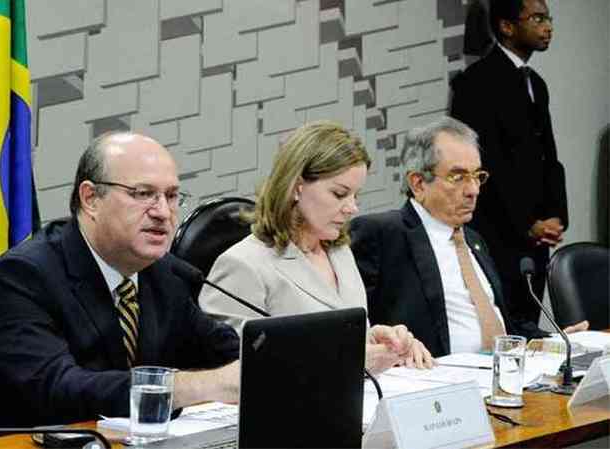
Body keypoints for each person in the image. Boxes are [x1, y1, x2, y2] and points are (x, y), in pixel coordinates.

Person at [0, 132, 240, 425]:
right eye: (143, 193)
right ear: (91, 199)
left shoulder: (164, 272)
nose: (163, 212)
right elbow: (60, 388)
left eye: (171, 196)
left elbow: (223, 350)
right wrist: (202, 385)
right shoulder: (21, 278)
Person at [199, 121, 433, 371]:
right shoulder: (242, 265)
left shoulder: (340, 252)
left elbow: (334, 336)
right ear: (296, 187)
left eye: (356, 195)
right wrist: (350, 358)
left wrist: (378, 342)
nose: (352, 207)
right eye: (340, 194)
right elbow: (238, 371)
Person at [350, 117, 587, 357]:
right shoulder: (383, 233)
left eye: (477, 176)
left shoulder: (475, 240)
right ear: (418, 183)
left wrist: (557, 341)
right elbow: (356, 328)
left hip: (499, 375)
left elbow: (505, 323)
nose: (473, 190)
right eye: (458, 176)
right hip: (432, 380)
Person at [450, 0, 568, 326]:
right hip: (499, 234)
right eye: (538, 18)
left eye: (549, 18)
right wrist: (527, 222)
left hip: (538, 236)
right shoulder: (477, 82)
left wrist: (556, 215)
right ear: (507, 26)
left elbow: (548, 157)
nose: (548, 27)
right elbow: (488, 166)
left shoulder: (536, 83)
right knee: (506, 328)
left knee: (530, 323)